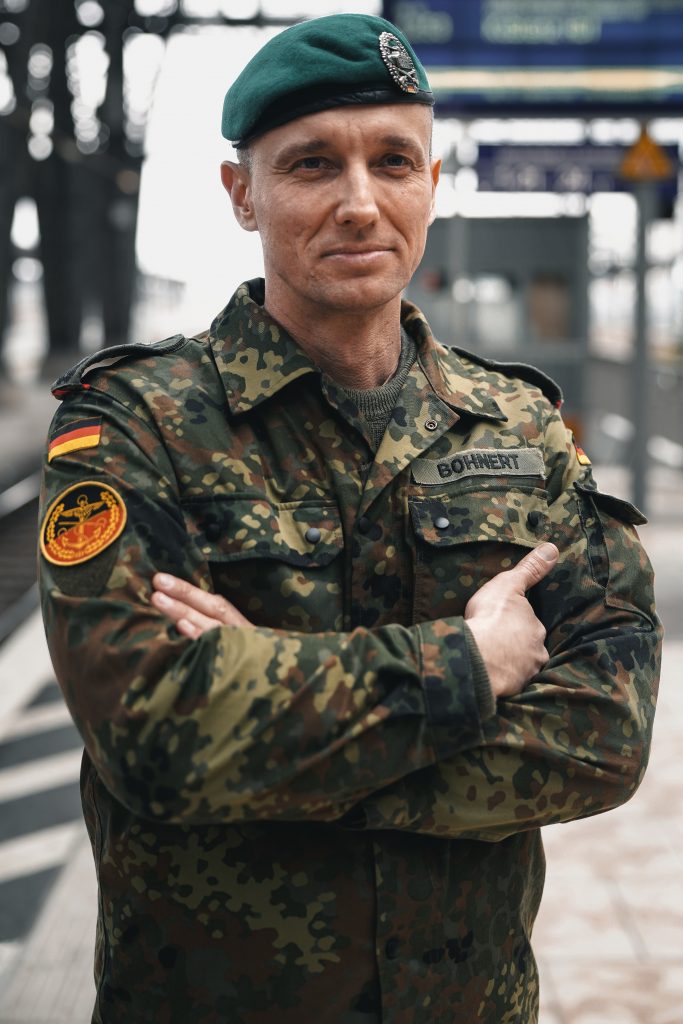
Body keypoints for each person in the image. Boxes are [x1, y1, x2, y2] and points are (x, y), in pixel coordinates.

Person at [38, 13, 661, 1024]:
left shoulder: (520, 426)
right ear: (244, 194)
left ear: (431, 180)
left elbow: (603, 734)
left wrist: (278, 729)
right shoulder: (134, 426)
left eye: (392, 161)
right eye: (312, 164)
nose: (359, 203)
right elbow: (155, 732)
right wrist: (466, 664)